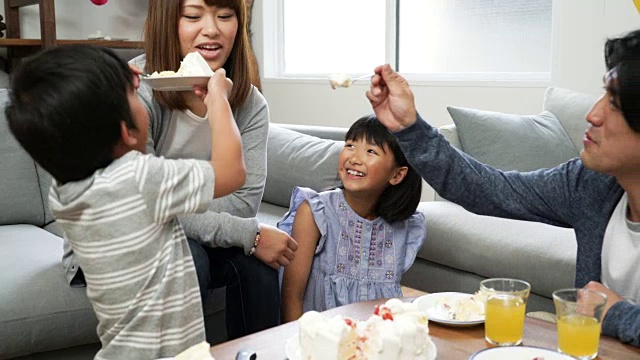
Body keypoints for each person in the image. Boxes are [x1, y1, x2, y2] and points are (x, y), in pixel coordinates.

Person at [365, 29, 640, 347]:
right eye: (603, 94)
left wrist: (618, 315)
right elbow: (490, 189)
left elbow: (612, 316)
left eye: (615, 104)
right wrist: (409, 128)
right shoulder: (592, 185)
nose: (592, 114)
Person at [64, 0, 296, 340]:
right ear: (167, 22)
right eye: (193, 15)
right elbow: (144, 206)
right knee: (190, 256)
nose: (212, 28)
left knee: (257, 263)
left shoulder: (250, 105)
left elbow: (244, 203)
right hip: (122, 232)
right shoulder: (136, 90)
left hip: (189, 233)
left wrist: (241, 232)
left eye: (225, 15)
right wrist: (250, 234)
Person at [6, 44, 244, 358]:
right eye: (133, 95)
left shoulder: (65, 190)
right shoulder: (140, 179)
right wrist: (218, 101)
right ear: (126, 132)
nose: (139, 92)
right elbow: (232, 171)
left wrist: (115, 81)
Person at [278, 114, 426, 323]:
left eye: (371, 151)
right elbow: (291, 297)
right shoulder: (313, 212)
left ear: (397, 175)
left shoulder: (407, 227)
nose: (354, 158)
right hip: (319, 342)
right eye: (350, 145)